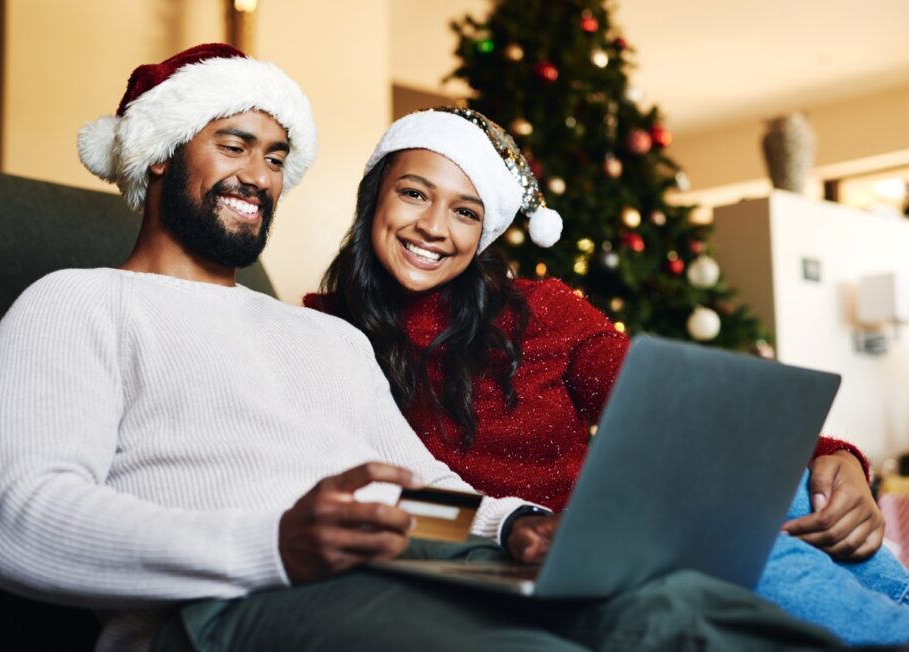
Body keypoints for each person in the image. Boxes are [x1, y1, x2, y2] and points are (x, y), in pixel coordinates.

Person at [0, 44, 846, 652]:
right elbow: (25, 527)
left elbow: (414, 489)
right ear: (161, 156)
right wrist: (276, 542)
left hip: (419, 557)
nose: (260, 173)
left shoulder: (324, 336)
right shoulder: (75, 304)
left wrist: (511, 524)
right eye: (235, 144)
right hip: (237, 597)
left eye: (277, 155)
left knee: (685, 612)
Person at [300, 106, 909, 645]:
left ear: (483, 233)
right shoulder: (320, 332)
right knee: (730, 538)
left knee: (793, 496)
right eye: (414, 193)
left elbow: (674, 413)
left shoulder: (541, 309)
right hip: (525, 552)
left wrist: (834, 455)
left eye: (465, 211)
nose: (435, 227)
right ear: (374, 195)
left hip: (614, 525)